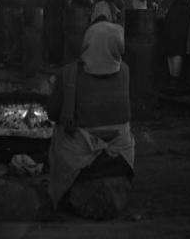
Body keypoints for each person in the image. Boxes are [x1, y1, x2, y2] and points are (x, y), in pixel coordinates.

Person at [46, 12, 134, 220]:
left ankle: (63, 187)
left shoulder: (67, 74)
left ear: (87, 42)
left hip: (80, 157)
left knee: (59, 132)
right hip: (120, 157)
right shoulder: (126, 72)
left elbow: (52, 113)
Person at [43, 0, 71, 67]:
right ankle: (55, 61)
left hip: (55, 13)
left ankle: (54, 60)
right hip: (56, 13)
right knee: (57, 38)